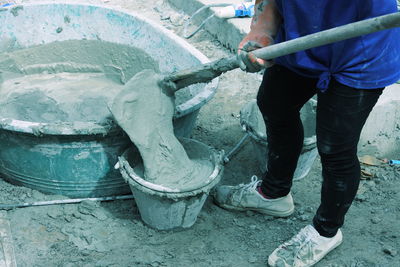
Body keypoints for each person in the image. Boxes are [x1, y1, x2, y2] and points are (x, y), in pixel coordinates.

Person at [213, 1, 400, 266]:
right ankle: (273, 194)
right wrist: (263, 27)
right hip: (303, 37)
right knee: (274, 105)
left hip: (361, 49)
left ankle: (326, 231)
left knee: (335, 147)